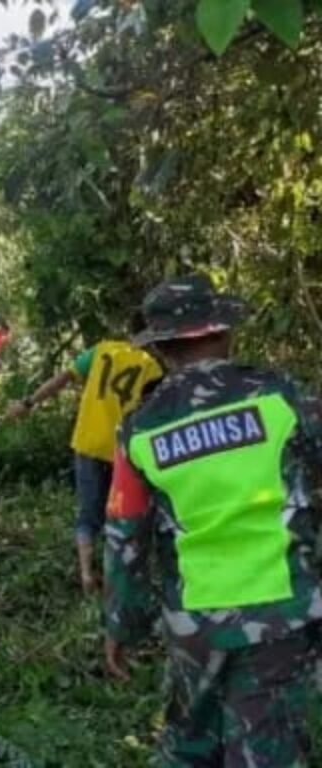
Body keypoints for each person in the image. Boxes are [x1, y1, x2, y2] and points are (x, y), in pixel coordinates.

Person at [104, 274, 322, 766]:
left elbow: (124, 537)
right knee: (268, 749)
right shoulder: (280, 397)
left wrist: (122, 625)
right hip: (279, 619)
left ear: (160, 348)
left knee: (189, 747)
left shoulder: (140, 427)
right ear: (224, 333)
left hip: (194, 624)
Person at [8, 314, 162, 593]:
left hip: (88, 443)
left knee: (88, 513)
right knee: (122, 512)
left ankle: (86, 573)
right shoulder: (151, 368)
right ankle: (119, 574)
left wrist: (29, 402)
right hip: (122, 451)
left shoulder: (101, 351)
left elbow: (61, 379)